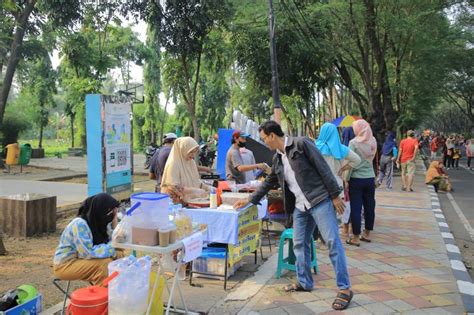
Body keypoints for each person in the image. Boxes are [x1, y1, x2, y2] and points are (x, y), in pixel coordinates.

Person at [234, 121, 353, 311]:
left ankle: (345, 289)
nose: (265, 142)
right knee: (299, 244)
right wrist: (249, 200)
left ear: (272, 135)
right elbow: (268, 183)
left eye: (265, 138)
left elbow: (323, 167)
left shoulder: (302, 144)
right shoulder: (278, 159)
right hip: (300, 206)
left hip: (320, 200)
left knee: (332, 242)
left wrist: (334, 196)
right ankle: (304, 282)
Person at [53, 193, 123, 285]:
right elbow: (88, 253)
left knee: (120, 254)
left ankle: (117, 292)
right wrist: (113, 249)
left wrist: (115, 226)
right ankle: (103, 297)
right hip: (65, 264)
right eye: (111, 212)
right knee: (104, 264)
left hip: (80, 259)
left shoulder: (99, 223)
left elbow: (116, 243)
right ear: (100, 211)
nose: (113, 215)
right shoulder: (79, 224)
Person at [315, 123, 361, 239]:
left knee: (320, 210)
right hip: (337, 184)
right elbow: (357, 160)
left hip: (320, 184)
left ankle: (322, 236)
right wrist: (343, 169)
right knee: (333, 212)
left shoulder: (315, 147)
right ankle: (331, 236)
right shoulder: (341, 148)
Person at [346, 119, 377, 246]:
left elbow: (350, 163)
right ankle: (367, 233)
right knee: (370, 205)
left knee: (356, 208)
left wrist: (347, 179)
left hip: (356, 179)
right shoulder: (373, 141)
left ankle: (356, 237)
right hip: (370, 178)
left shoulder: (353, 143)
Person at [160, 137, 213, 204]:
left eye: (194, 152)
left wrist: (207, 188)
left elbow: (196, 181)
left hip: (191, 201)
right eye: (190, 152)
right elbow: (173, 187)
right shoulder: (173, 164)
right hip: (175, 204)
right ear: (183, 149)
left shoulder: (191, 162)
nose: (193, 155)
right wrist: (194, 191)